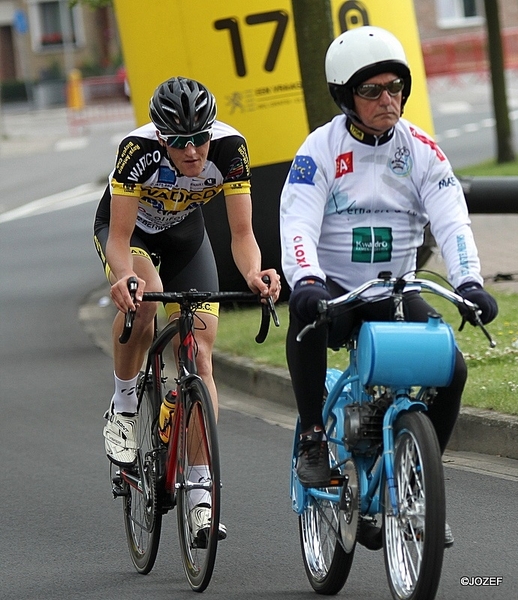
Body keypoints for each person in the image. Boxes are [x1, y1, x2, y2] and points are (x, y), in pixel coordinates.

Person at [279, 26, 497, 547]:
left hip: (396, 290)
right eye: (372, 90)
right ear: (344, 96)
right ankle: (313, 436)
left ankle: (416, 482)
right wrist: (307, 281)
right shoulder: (321, 149)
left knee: (453, 368)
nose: (388, 100)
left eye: (395, 87)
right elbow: (297, 222)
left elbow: (452, 221)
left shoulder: (423, 150)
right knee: (305, 320)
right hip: (334, 290)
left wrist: (470, 281)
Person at [94, 76, 281, 541]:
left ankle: (201, 499)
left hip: (185, 239)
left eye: (200, 139)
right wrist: (124, 278)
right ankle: (122, 408)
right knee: (146, 296)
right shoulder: (136, 151)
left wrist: (255, 275)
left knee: (198, 355)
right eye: (180, 143)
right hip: (132, 236)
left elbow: (241, 235)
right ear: (161, 137)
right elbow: (117, 239)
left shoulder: (230, 148)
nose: (194, 152)